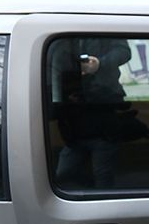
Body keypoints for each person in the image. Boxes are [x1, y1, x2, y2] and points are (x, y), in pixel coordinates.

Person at [54, 37, 140, 189]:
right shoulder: (60, 30)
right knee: (63, 174)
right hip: (75, 116)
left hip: (104, 108)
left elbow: (124, 52)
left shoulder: (106, 23)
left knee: (102, 176)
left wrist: (100, 64)